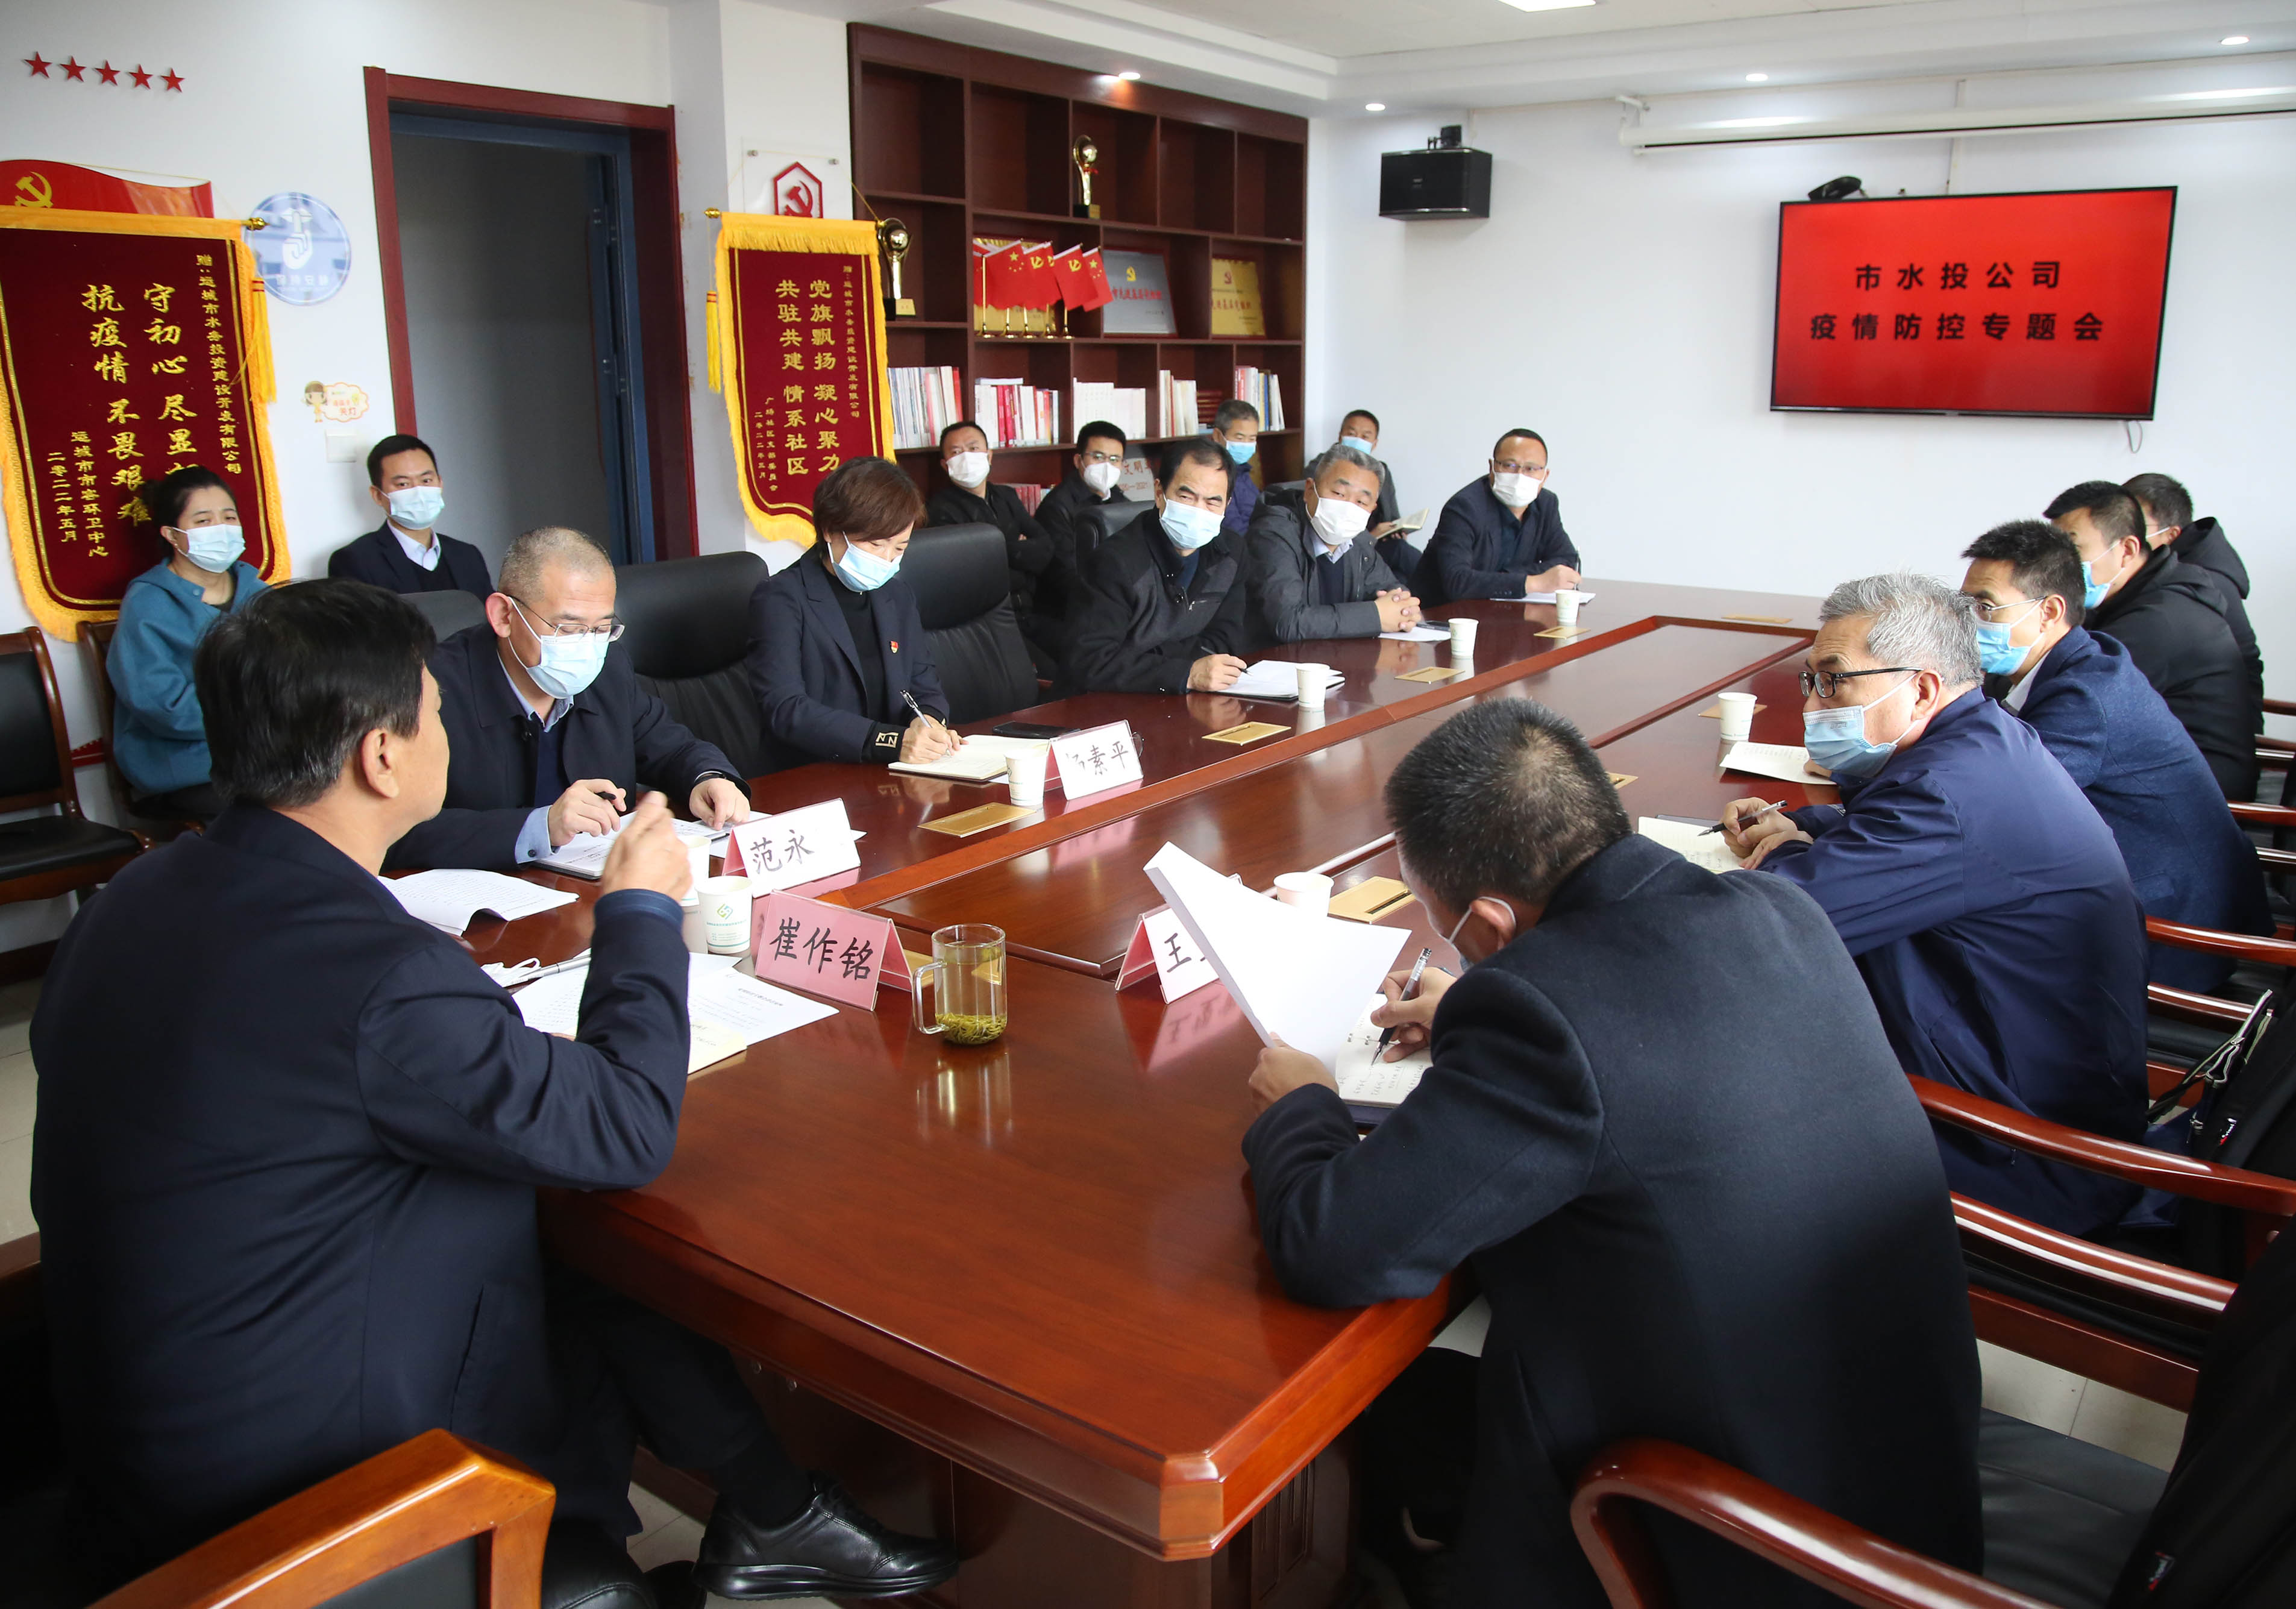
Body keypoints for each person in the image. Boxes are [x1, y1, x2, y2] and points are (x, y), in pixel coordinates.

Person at [31, 580, 959, 1604]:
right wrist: (638, 912)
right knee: (589, 1227)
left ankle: (773, 1511)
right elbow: (624, 1128)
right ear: (380, 758)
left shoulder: (128, 900)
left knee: (582, 1241)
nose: (446, 730)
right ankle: (750, 1521)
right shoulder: (378, 971)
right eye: (433, 712)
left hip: (144, 1428)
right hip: (321, 1493)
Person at [1242, 697, 1981, 1609]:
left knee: (1390, 1405)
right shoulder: (1778, 907)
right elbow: (1638, 1019)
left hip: (1750, 1547)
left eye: (1447, 927)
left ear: (1489, 922)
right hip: (1904, 1489)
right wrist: (1474, 1005)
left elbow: (1334, 1248)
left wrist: (1304, 1105)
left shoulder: (1543, 1018)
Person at [1723, 572, 2148, 1237]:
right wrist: (1810, 829)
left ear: (1921, 688)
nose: (1811, 704)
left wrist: (1785, 857)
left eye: (1833, 681)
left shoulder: (1947, 796)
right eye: (1810, 681)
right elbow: (1906, 838)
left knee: (1706, 1083)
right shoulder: (1982, 737)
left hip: (2012, 1145)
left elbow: (1771, 925)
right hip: (2022, 1069)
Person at [1961, 521, 2270, 994]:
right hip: (2141, 884)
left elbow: (1993, 804)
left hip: (2174, 928)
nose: (1968, 622)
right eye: (1964, 606)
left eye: (1985, 607)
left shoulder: (2084, 695)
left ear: (2048, 612)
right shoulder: (2065, 659)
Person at [387, 526, 750, 871]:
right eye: (570, 628)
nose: (587, 645)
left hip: (591, 888)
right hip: (478, 900)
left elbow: (670, 746)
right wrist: (541, 826)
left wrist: (708, 778)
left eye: (602, 627)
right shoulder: (428, 689)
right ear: (504, 616)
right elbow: (390, 827)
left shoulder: (608, 666)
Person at [2047, 480, 2258, 801]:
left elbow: (2070, 701)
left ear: (2127, 550)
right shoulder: (2127, 597)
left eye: (2073, 551)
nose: (2056, 568)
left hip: (2199, 795)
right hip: (2148, 768)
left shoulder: (2159, 620)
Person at [747, 456, 961, 771]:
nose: (887, 560)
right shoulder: (781, 598)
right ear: (830, 531)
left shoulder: (897, 595)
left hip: (892, 769)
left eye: (900, 548)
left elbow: (924, 683)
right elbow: (785, 708)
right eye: (875, 544)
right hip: (812, 774)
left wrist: (928, 723)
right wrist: (890, 741)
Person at [105, 465, 269, 820]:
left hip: (266, 753)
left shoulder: (261, 594)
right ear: (172, 535)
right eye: (203, 521)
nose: (221, 529)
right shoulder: (147, 604)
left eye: (229, 517)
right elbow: (166, 709)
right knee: (279, 811)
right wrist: (259, 711)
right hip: (187, 766)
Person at [1066, 439, 1251, 694]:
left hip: (1182, 696)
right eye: (1186, 497)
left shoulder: (1231, 553)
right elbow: (1091, 661)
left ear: (1227, 505)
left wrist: (1168, 663)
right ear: (1159, 493)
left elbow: (1225, 641)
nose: (1198, 511)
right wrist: (1185, 672)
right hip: (1107, 703)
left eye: (1212, 502)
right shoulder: (1115, 562)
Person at [1245, 443, 1420, 645]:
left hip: (1335, 657)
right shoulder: (1273, 533)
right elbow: (1287, 622)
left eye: (1361, 502)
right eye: (1339, 493)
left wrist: (1404, 610)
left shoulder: (1359, 541)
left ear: (1372, 509)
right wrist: (1376, 616)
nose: (1348, 508)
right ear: (1309, 490)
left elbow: (1393, 590)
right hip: (1272, 658)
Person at [923, 420, 1059, 673]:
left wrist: (996, 552)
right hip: (991, 622)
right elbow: (971, 577)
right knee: (1047, 673)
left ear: (989, 455)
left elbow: (1045, 549)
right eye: (956, 452)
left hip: (1031, 610)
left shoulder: (1006, 496)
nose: (966, 457)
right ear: (945, 464)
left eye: (973, 448)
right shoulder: (940, 510)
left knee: (1078, 655)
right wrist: (1020, 555)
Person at [2124, 471, 2263, 709]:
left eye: (2135, 526)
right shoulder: (2162, 569)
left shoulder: (2200, 582)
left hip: (2212, 716)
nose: (2120, 534)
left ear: (2171, 535)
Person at [1417, 428, 1580, 607]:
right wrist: (1533, 582)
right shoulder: (1464, 507)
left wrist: (1505, 577)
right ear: (1492, 468)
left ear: (1545, 476)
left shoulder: (1546, 504)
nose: (1519, 476)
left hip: (1503, 610)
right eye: (1510, 466)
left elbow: (1567, 559)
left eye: (1531, 469)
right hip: (1441, 613)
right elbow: (1457, 581)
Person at [327, 434, 494, 598]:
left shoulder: (468, 555)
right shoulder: (354, 561)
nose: (418, 492)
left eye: (426, 481)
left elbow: (490, 614)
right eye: (403, 484)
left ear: (440, 483)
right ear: (377, 495)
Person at [1210, 398, 1261, 536]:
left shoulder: (1242, 470)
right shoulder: (1214, 475)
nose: (1246, 444)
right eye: (1239, 438)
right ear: (1217, 436)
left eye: (1252, 439)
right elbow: (1233, 530)